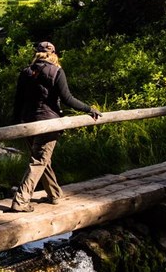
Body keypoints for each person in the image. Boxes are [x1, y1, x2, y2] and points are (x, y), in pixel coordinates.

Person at [8, 41, 101, 212]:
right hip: (48, 122)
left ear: (36, 54)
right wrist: (89, 109)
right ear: (53, 54)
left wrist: (16, 123)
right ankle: (20, 201)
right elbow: (68, 99)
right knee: (39, 161)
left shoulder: (26, 73)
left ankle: (54, 195)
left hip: (28, 122)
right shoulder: (56, 71)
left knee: (43, 160)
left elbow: (18, 101)